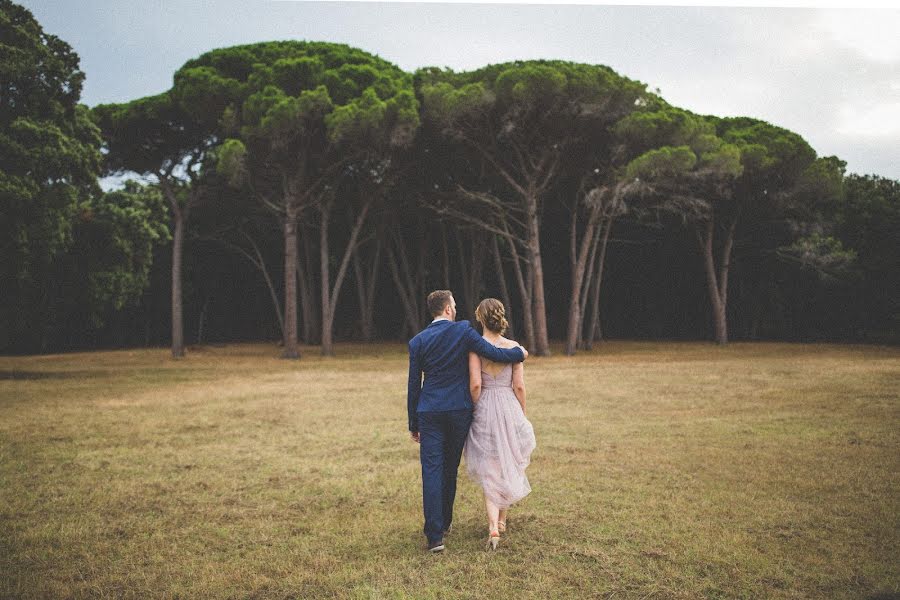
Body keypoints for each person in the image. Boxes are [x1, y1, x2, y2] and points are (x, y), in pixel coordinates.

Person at [407, 290, 529, 553]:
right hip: (458, 411)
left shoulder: (417, 341)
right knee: (449, 468)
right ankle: (446, 522)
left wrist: (412, 423)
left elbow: (413, 386)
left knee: (431, 470)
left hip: (428, 412)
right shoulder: (462, 330)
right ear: (448, 309)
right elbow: (493, 352)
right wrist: (519, 352)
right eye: (455, 304)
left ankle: (435, 536)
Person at [464, 298, 536, 550]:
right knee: (507, 462)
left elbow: (475, 384)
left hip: (484, 407)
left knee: (489, 467)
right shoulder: (514, 347)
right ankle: (503, 519)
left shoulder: (476, 349)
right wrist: (522, 414)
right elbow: (519, 386)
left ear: (481, 319)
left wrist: (474, 409)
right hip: (508, 407)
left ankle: (493, 526)